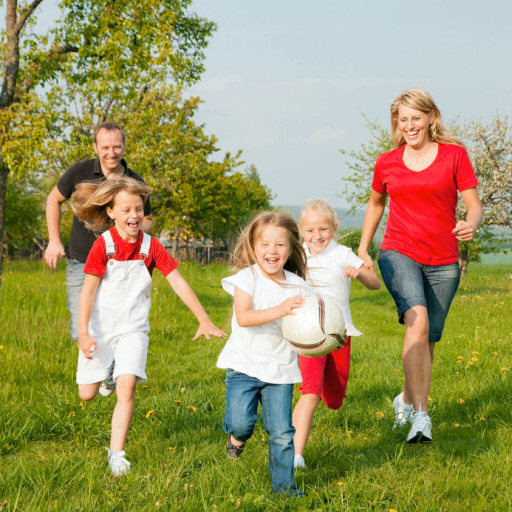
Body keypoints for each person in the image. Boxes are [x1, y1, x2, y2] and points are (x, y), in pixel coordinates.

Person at [72, 176, 226, 477]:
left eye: (138, 209)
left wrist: (203, 318)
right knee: (86, 394)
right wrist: (84, 333)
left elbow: (178, 282)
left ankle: (117, 454)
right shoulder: (103, 246)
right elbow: (87, 291)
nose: (134, 216)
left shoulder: (151, 247)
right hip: (101, 328)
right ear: (112, 212)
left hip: (134, 328)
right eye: (126, 210)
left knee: (127, 386)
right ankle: (108, 376)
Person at [357, 88, 482, 444]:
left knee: (426, 341)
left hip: (443, 260)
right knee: (419, 320)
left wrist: (471, 223)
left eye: (416, 118)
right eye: (402, 119)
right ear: (396, 123)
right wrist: (364, 248)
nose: (409, 125)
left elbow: (473, 204)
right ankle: (421, 418)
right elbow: (376, 204)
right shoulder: (387, 161)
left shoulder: (455, 156)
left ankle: (406, 398)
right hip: (398, 252)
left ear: (430, 118)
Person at [217, 211, 312, 496]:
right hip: (243, 366)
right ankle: (236, 437)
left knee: (282, 433)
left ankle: (284, 490)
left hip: (281, 370)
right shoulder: (247, 279)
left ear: (291, 248)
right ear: (253, 246)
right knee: (241, 423)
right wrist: (281, 309)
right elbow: (244, 317)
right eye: (265, 244)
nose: (272, 250)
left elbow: (315, 321)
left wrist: (329, 338)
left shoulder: (298, 285)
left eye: (280, 245)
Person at [44, 122, 154, 347]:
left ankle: (107, 380)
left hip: (119, 266)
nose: (111, 153)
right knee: (79, 330)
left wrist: (129, 226)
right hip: (82, 262)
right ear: (95, 147)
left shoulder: (135, 180)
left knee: (115, 327)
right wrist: (54, 240)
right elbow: (53, 199)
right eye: (105, 147)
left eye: (116, 146)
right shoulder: (80, 172)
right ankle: (103, 374)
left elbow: (148, 221)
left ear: (123, 147)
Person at [291, 199, 381, 470]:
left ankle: (318, 404)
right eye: (309, 230)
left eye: (323, 229)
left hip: (340, 336)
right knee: (310, 392)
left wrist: (359, 274)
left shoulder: (343, 253)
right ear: (300, 231)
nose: (316, 236)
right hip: (307, 335)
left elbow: (375, 283)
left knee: (334, 398)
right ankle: (294, 456)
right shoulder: (297, 256)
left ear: (333, 227)